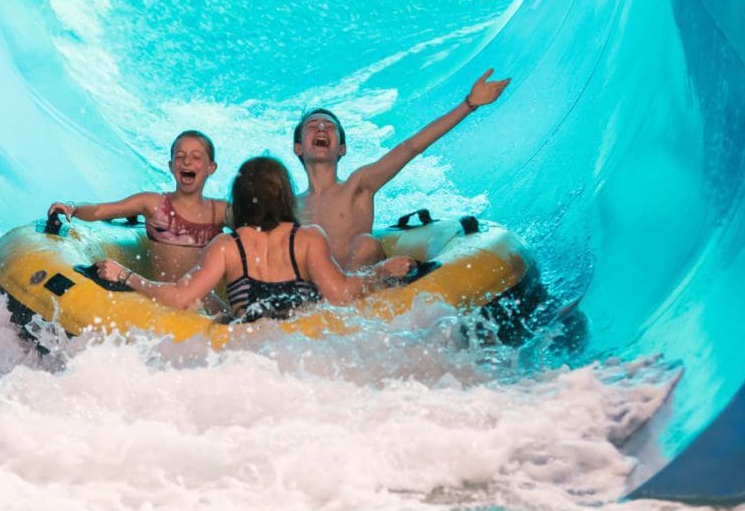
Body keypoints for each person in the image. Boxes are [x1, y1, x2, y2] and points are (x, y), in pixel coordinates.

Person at [95, 156, 414, 321]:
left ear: (241, 198)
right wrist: (383, 272)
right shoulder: (308, 238)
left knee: (208, 299)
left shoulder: (226, 245)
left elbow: (180, 296)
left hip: (248, 343)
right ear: (286, 196)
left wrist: (126, 276)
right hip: (303, 337)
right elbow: (341, 294)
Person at [293, 68, 510, 270]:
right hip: (314, 296)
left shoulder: (357, 185)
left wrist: (469, 104)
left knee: (367, 245)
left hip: (361, 284)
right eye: (312, 127)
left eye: (329, 127)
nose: (321, 128)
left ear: (342, 149)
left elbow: (410, 147)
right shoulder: (288, 205)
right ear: (298, 147)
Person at [48, 130, 228, 282]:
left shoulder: (220, 211)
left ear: (211, 167)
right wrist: (73, 208)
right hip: (163, 299)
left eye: (196, 157)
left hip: (206, 307)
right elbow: (101, 210)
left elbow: (253, 230)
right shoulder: (153, 204)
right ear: (171, 166)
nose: (187, 162)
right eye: (180, 157)